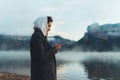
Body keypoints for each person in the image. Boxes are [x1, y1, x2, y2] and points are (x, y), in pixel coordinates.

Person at [30, 16, 62, 80]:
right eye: (49, 26)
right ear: (43, 24)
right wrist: (55, 49)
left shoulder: (41, 36)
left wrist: (54, 48)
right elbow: (41, 56)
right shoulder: (37, 36)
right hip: (42, 76)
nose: (49, 29)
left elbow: (43, 53)